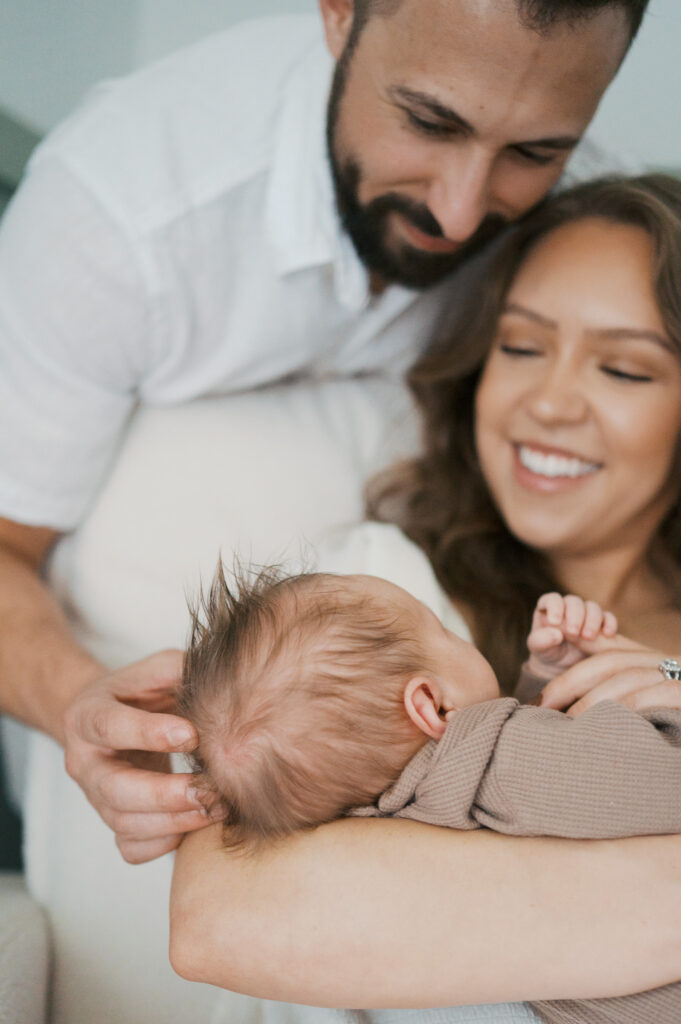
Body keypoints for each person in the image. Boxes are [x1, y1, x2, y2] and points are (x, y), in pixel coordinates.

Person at [0, 0, 651, 865]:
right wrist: (82, 704)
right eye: (427, 121)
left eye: (534, 152)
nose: (460, 215)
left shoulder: (576, 226)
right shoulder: (116, 219)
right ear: (339, 14)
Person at [169, 173, 681, 1018]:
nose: (547, 402)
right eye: (518, 347)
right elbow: (220, 918)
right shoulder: (377, 604)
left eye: (623, 369)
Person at [179, 565, 681, 1023]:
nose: (460, 638)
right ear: (430, 705)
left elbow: (517, 783)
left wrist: (547, 684)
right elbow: (658, 788)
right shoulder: (515, 764)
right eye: (443, 633)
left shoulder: (388, 822)